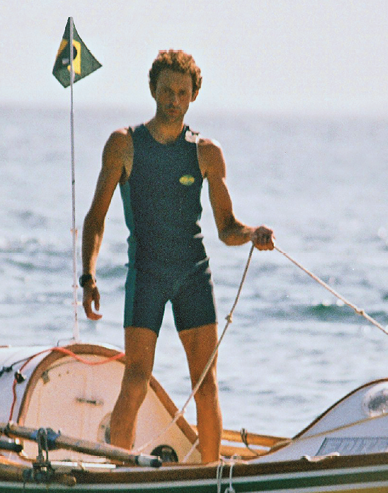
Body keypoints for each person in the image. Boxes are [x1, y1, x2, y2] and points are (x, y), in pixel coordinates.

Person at [80, 50, 274, 464]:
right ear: (153, 89)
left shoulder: (206, 153)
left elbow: (227, 227)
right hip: (146, 274)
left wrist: (252, 234)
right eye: (167, 90)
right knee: (136, 380)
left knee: (206, 384)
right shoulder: (124, 144)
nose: (174, 100)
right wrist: (88, 276)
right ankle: (120, 472)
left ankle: (211, 477)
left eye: (182, 93)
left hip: (192, 275)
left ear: (194, 96)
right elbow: (96, 218)